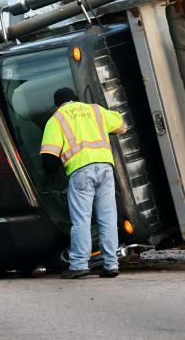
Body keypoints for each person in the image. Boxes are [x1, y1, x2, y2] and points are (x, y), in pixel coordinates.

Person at [40, 87, 127, 279]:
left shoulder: (57, 119)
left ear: (58, 104)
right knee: (108, 218)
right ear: (75, 99)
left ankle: (79, 264)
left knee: (81, 220)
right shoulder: (95, 110)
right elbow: (122, 125)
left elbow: (48, 156)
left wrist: (51, 176)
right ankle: (111, 265)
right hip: (105, 169)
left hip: (80, 172)